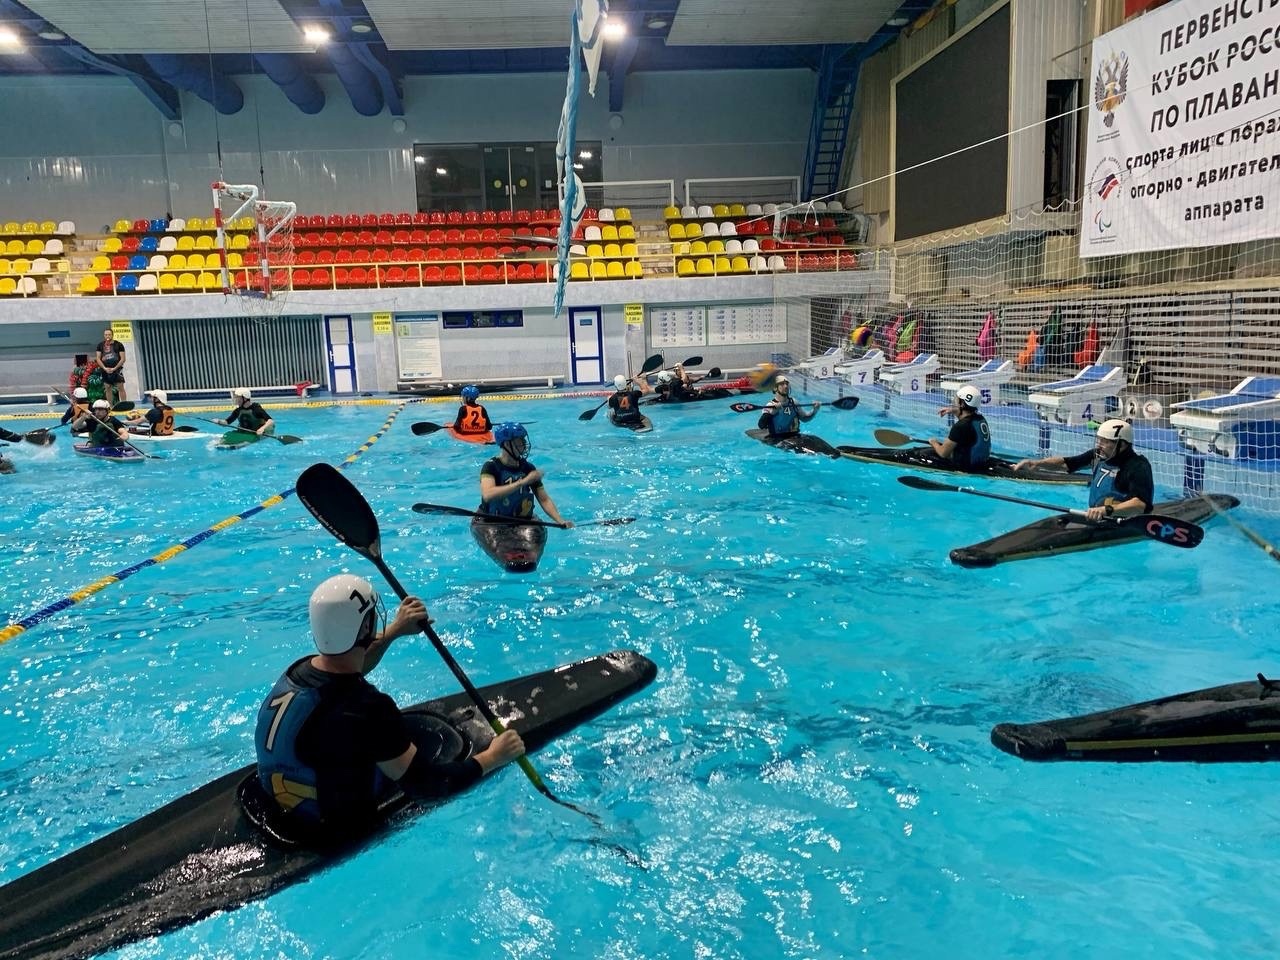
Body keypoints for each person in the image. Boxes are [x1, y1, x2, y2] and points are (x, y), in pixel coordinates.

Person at [253, 574, 526, 841]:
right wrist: (494, 757)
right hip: (328, 824)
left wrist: (397, 629)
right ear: (366, 627)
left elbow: (351, 663)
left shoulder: (301, 669)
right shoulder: (368, 709)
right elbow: (428, 786)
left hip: (281, 791)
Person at [1013, 418, 1154, 520]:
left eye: (1105, 442)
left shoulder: (1137, 466)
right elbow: (1067, 464)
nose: (1099, 445)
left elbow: (1140, 504)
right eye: (1098, 440)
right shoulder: (1098, 456)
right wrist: (1035, 464)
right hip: (1098, 516)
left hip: (1123, 522)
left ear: (1122, 445)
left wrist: (1106, 510)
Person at [479, 422, 573, 527]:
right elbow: (487, 495)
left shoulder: (528, 468)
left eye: (523, 441)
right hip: (492, 520)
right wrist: (523, 482)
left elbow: (544, 499)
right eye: (519, 441)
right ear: (506, 444)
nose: (523, 445)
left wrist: (560, 521)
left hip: (520, 519)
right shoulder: (491, 467)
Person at [927, 384, 992, 471]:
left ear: (962, 404)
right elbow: (967, 416)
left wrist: (933, 442)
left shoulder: (960, 426)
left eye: (957, 400)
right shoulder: (980, 418)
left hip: (965, 468)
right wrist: (952, 410)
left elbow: (943, 453)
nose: (954, 401)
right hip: (980, 462)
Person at [95, 329, 126, 407]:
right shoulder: (100, 345)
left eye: (109, 334)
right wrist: (105, 368)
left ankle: (124, 405)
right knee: (107, 387)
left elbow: (123, 359)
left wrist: (115, 368)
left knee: (120, 386)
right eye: (106, 335)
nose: (107, 336)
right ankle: (110, 406)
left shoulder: (119, 345)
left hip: (117, 369)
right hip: (105, 369)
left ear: (112, 335)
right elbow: (98, 358)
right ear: (104, 335)